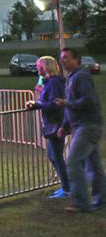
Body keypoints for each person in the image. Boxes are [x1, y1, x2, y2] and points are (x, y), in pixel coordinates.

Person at [56, 48, 104, 213]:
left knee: (73, 161)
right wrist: (65, 126)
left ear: (76, 60)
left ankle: (81, 202)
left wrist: (67, 103)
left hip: (88, 125)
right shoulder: (71, 78)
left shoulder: (81, 76)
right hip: (83, 126)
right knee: (94, 166)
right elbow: (71, 105)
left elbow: (88, 101)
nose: (63, 61)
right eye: (61, 58)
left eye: (66, 58)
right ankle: (101, 200)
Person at [25, 56, 70, 198]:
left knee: (56, 156)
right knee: (52, 155)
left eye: (39, 65)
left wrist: (36, 104)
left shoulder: (55, 83)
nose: (37, 68)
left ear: (45, 67)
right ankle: (66, 186)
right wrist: (39, 95)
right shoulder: (49, 83)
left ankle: (68, 189)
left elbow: (54, 104)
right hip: (52, 123)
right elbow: (48, 101)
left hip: (57, 123)